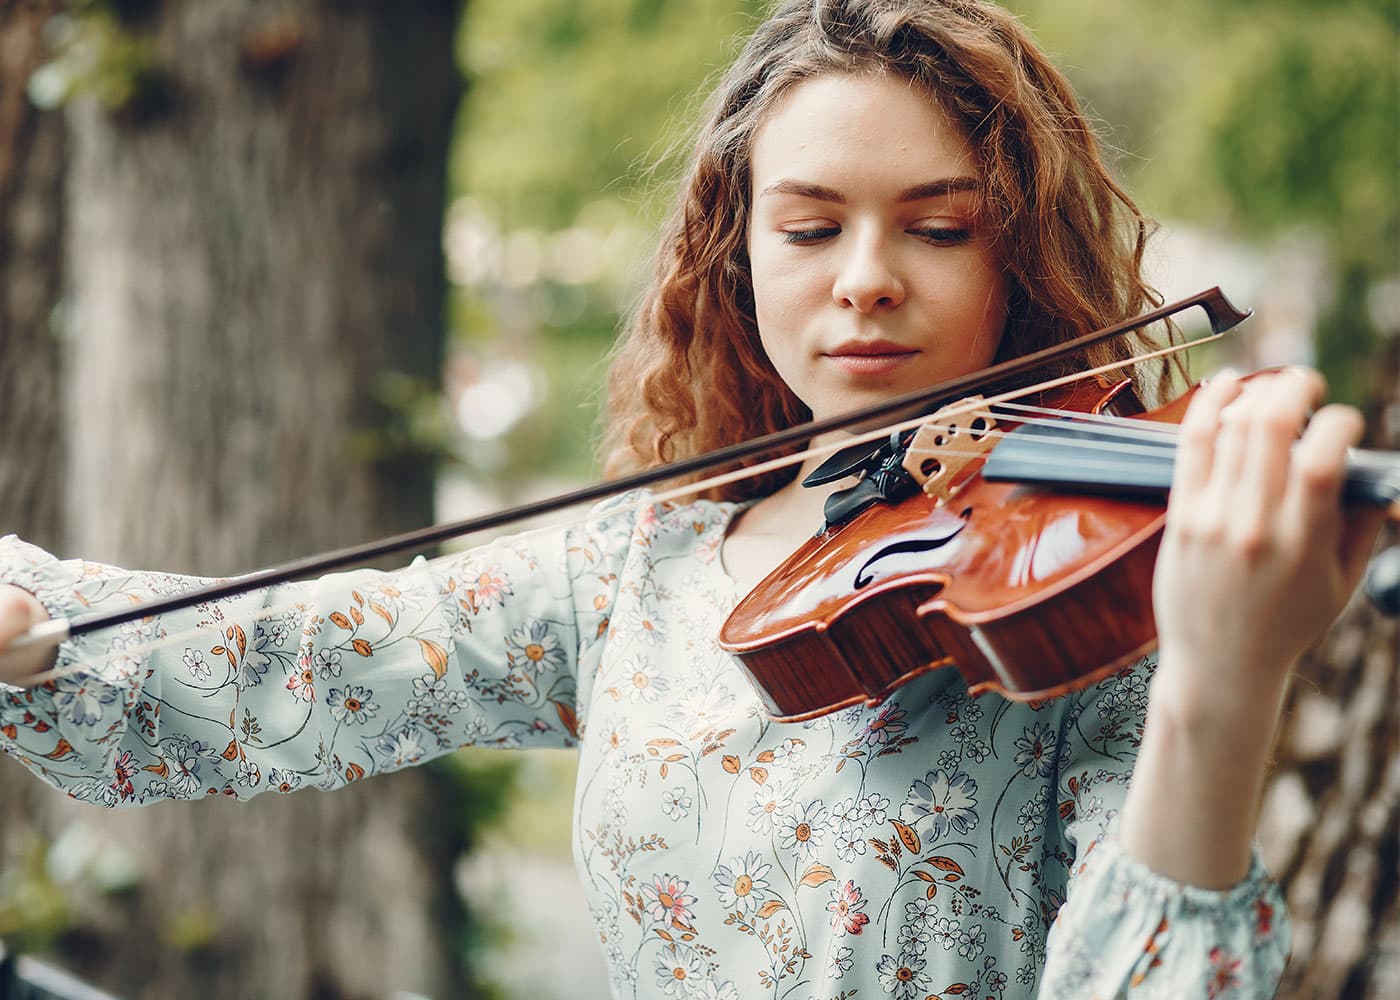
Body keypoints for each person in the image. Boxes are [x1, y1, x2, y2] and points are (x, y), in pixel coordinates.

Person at [0, 1, 1385, 997]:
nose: (865, 278)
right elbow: (304, 655)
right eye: (808, 226)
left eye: (939, 226)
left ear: (1016, 258)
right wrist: (39, 620)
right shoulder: (638, 571)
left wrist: (1221, 676)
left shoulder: (1087, 616)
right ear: (734, 260)